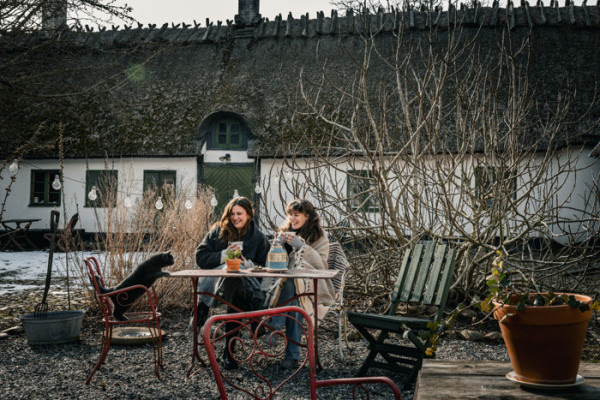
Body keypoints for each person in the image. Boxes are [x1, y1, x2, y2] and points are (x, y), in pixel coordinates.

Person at [194, 196, 271, 369]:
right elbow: (200, 257)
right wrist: (223, 255)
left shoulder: (258, 237)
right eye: (232, 214)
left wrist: (248, 265)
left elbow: (265, 266)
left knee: (239, 284)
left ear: (249, 215)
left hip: (241, 288)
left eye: (239, 214)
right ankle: (253, 320)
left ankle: (229, 351)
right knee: (233, 278)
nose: (235, 217)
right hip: (216, 285)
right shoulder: (217, 232)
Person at [263, 199, 335, 370]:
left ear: (307, 216)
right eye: (290, 215)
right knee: (294, 299)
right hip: (281, 288)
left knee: (294, 290)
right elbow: (271, 264)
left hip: (310, 286)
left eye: (296, 215)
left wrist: (302, 247)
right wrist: (277, 245)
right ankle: (292, 356)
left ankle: (275, 325)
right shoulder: (284, 232)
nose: (292, 218)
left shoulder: (319, 236)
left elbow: (322, 265)